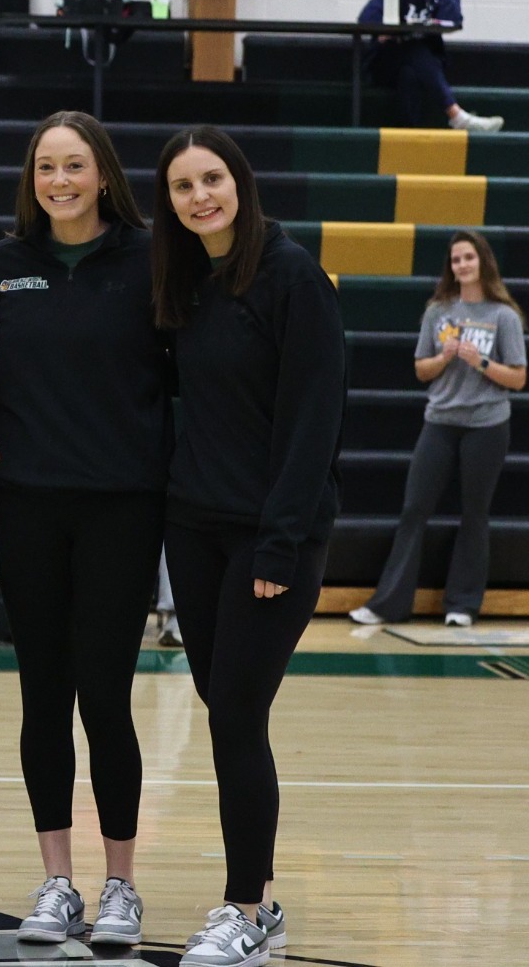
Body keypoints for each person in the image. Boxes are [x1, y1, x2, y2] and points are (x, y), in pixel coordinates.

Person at [150, 127, 346, 967]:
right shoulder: (185, 280)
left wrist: (279, 544)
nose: (200, 196)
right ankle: (254, 896)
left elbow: (314, 420)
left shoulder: (293, 275)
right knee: (221, 703)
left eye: (212, 178)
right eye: (183, 185)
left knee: (235, 712)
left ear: (241, 182)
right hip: (193, 529)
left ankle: (248, 907)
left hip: (272, 540)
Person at [0, 111, 170, 947]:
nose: (60, 180)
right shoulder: (2, 265)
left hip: (122, 508)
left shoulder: (150, 256)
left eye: (75, 165)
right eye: (46, 166)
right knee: (42, 697)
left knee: (106, 697)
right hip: (26, 505)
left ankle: (120, 882)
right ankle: (56, 880)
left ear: (103, 175)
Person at [351, 230, 527, 628]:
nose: (462, 265)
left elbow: (517, 378)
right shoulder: (438, 312)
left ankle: (462, 605)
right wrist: (447, 357)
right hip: (440, 422)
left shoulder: (504, 316)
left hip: (487, 425)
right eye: (455, 260)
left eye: (468, 257)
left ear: (483, 261)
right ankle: (388, 605)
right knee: (414, 509)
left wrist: (479, 360)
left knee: (474, 513)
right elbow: (421, 370)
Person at [359, 0, 502, 132]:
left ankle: (409, 138)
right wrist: (384, 30)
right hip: (386, 62)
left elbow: (453, 20)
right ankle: (455, 115)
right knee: (414, 49)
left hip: (423, 66)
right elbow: (366, 17)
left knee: (410, 73)